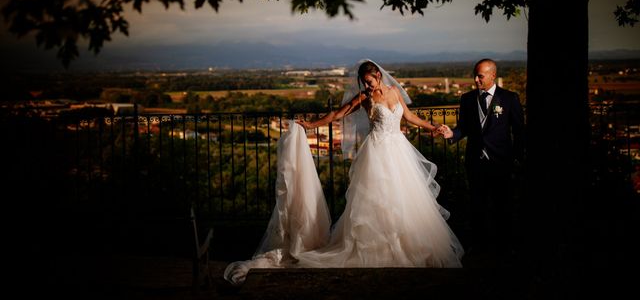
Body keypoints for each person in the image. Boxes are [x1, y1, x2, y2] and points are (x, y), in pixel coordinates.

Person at [224, 59, 464, 284]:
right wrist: (311, 125)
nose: (367, 86)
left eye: (369, 81)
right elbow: (337, 114)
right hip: (377, 153)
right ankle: (379, 249)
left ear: (378, 76)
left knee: (405, 200)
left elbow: (409, 116)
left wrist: (434, 126)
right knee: (379, 202)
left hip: (399, 151)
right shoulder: (364, 98)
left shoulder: (394, 92)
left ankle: (408, 247)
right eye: (364, 83)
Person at [439, 59, 525, 258]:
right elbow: (464, 128)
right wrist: (452, 134)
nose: (476, 80)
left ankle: (505, 247)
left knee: (503, 205)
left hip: (501, 162)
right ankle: (479, 246)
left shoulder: (509, 98)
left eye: (480, 76)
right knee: (477, 205)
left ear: (493, 75)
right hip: (475, 161)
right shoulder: (467, 99)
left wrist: (517, 158)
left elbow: (519, 131)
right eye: (475, 75)